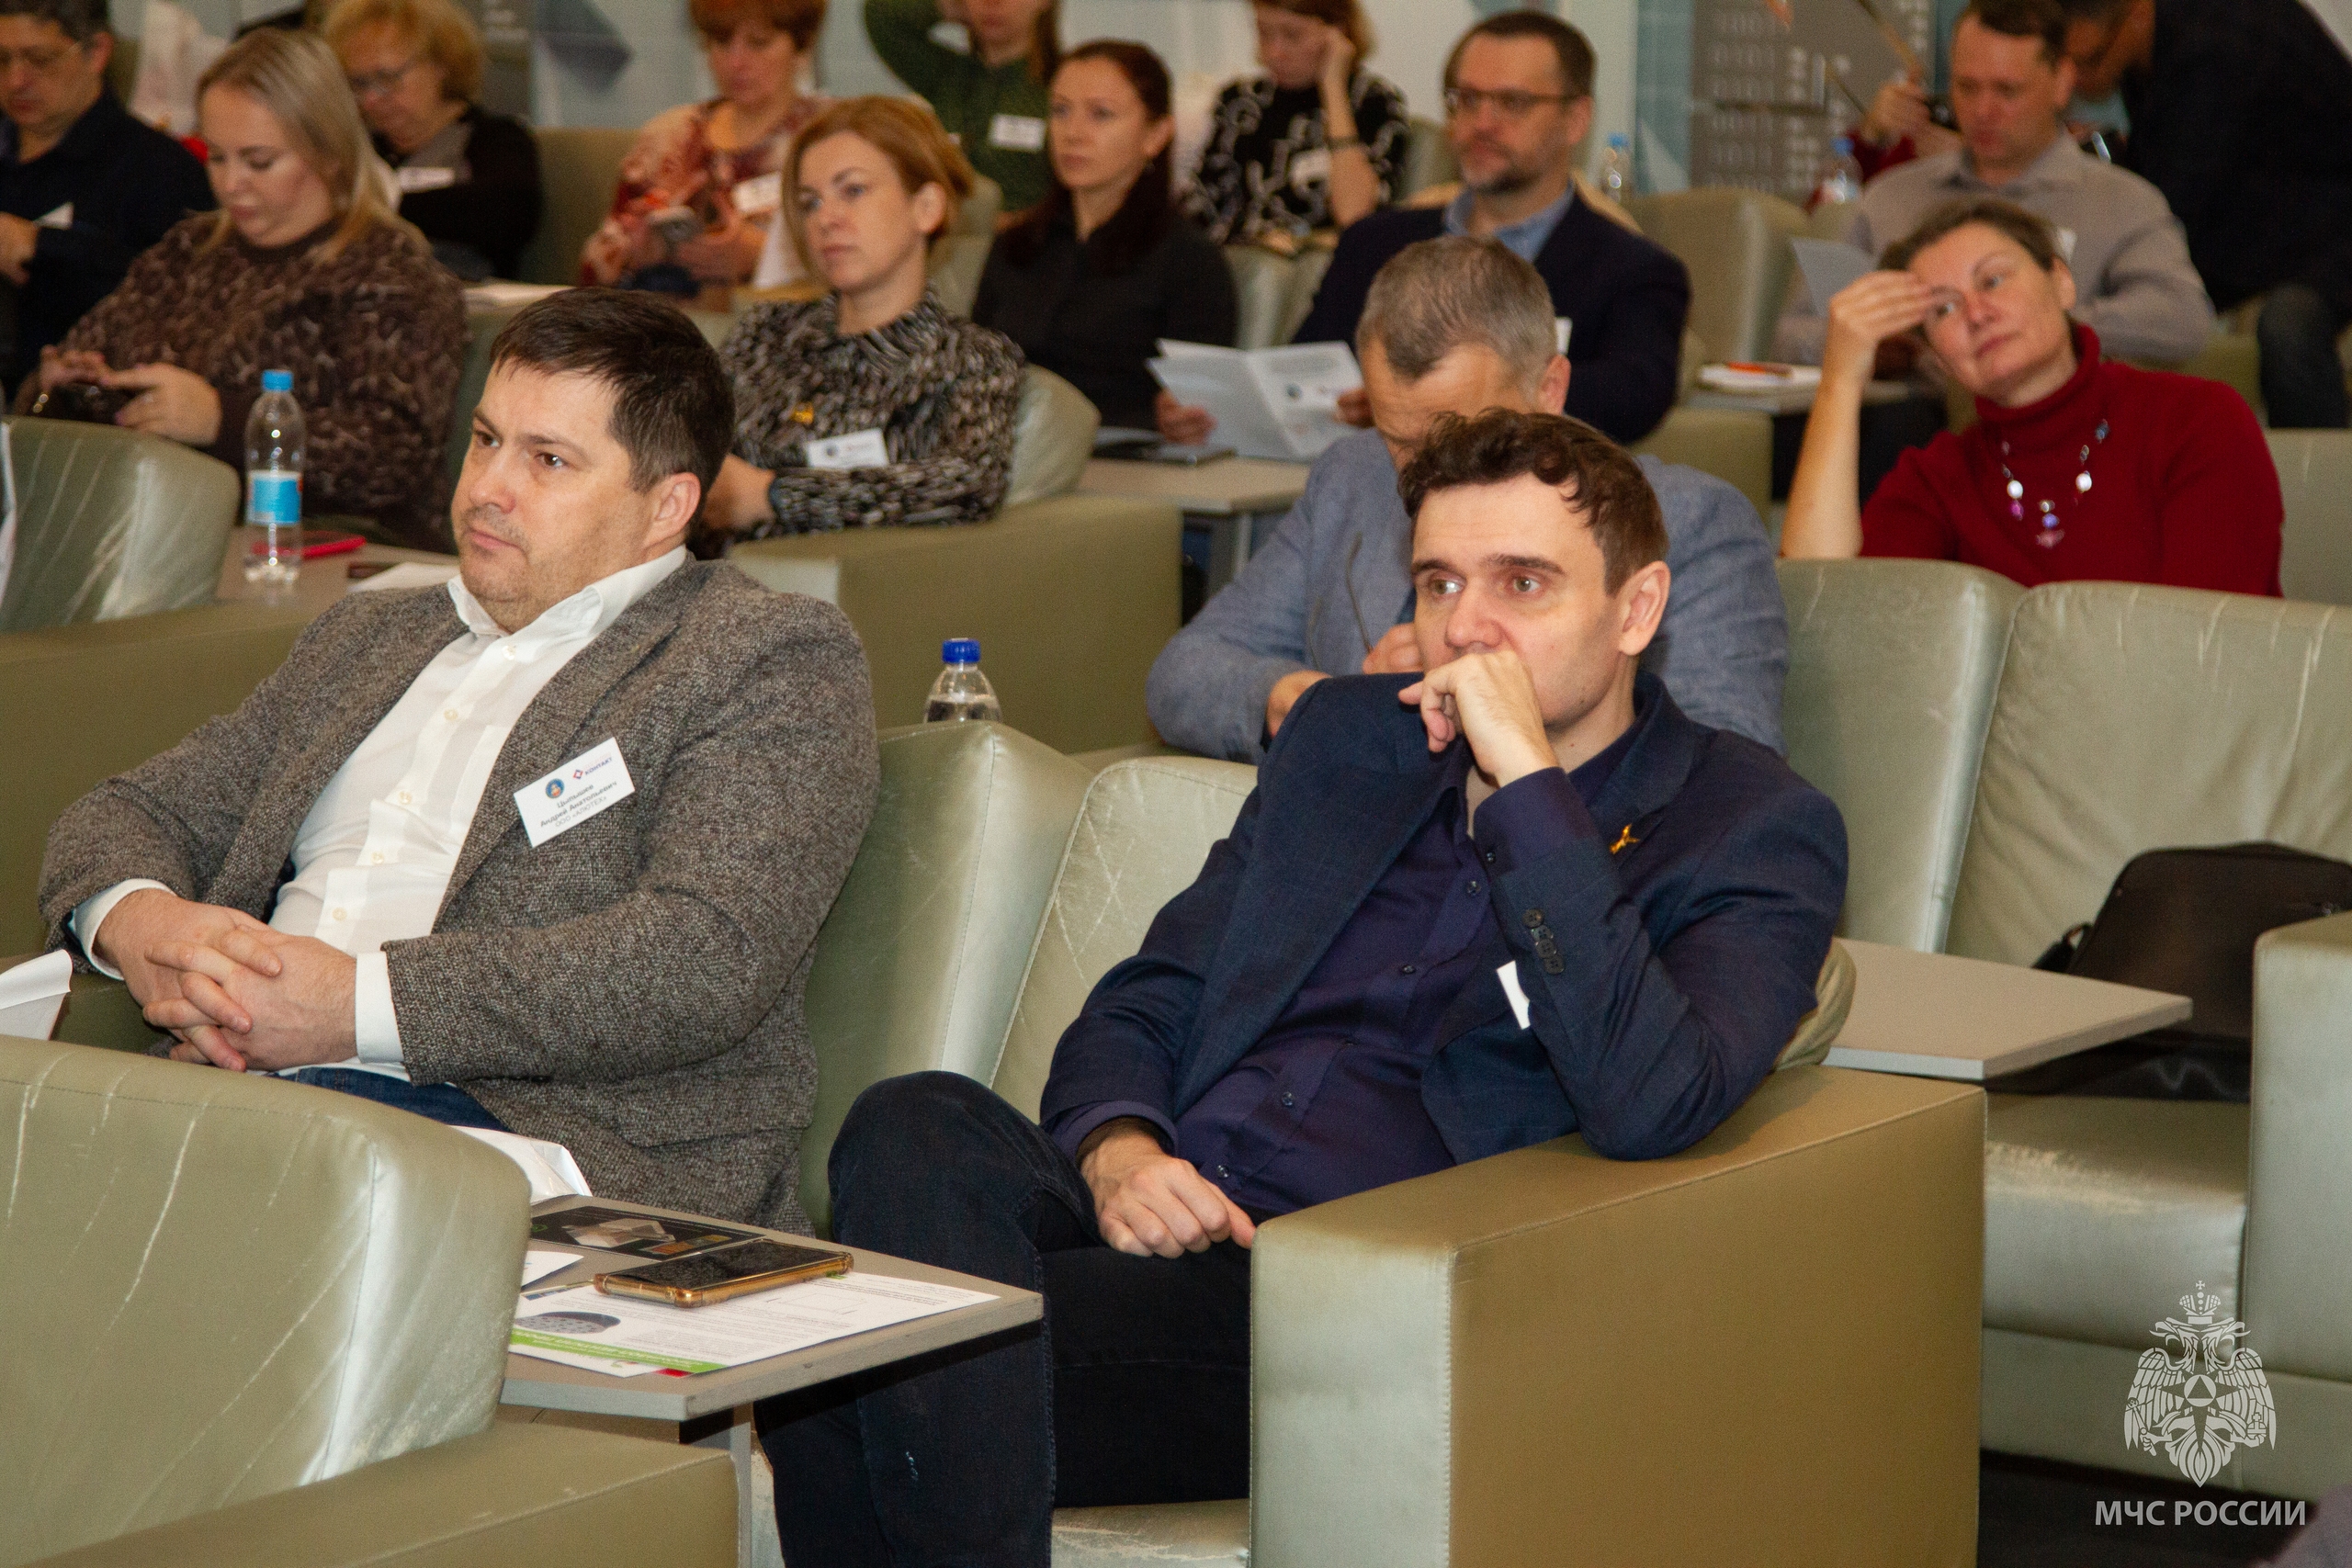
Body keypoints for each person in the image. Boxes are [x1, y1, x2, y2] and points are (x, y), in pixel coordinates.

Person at [758, 405, 1846, 1563]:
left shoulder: (1747, 825)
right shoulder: (1348, 738)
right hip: (1160, 1215)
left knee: (838, 1363)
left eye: (1522, 584)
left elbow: (1652, 1099)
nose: (1466, 627)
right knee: (911, 1122)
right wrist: (1120, 1150)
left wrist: (1529, 790)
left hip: (1338, 1292)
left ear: (1637, 609)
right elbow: (1153, 992)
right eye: (1437, 584)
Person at [37, 288, 879, 1233]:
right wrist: (147, 928)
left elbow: (701, 957)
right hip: (253, 1094)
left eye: (548, 460)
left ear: (667, 506)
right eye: (485, 440)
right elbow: (132, 810)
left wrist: (350, 1006)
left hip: (544, 1144)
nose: (488, 487)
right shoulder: (367, 638)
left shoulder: (758, 655)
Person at [1151, 235, 1787, 761]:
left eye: (1464, 431)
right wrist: (1310, 703)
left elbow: (1730, 770)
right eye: (1398, 438)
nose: (1426, 471)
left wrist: (1508, 709)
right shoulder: (1352, 477)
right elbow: (1184, 673)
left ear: (1550, 390)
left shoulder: (1690, 522)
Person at [15, 28, 465, 549]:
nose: (230, 184)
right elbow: (76, 363)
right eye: (216, 157)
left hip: (319, 544)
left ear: (329, 153)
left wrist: (222, 420)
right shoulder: (189, 249)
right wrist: (67, 385)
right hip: (152, 524)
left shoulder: (390, 274)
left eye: (259, 161)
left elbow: (395, 459)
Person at [1780, 197, 2281, 593]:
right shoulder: (1940, 479)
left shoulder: (2196, 419)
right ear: (1936, 355)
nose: (1977, 314)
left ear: (2062, 283)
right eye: (1944, 310)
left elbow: (2207, 642)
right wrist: (1841, 380)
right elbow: (1824, 601)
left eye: (1993, 280)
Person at [1290, 11, 1688, 446]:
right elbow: (1300, 369)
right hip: (1363, 472)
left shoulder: (1634, 270)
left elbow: (1633, 396)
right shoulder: (1373, 243)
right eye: (1467, 99)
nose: (1481, 123)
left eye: (1512, 102)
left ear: (1576, 119)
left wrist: (1454, 400)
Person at [1781, 0, 2210, 369]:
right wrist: (1867, 342)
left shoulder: (2121, 202)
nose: (1984, 110)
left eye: (2007, 91)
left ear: (2061, 83)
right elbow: (1791, 334)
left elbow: (2182, 320)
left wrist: (2033, 322)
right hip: (1903, 413)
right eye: (1967, 87)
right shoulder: (1892, 196)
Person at [698, 96, 1023, 546]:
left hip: (837, 581)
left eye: (852, 190)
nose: (826, 219)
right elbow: (680, 447)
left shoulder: (971, 358)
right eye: (810, 203)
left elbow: (967, 485)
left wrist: (773, 495)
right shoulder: (766, 330)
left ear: (926, 207)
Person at [2059, 0, 2352, 428]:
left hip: (2326, 233)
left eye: (2090, 61)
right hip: (2281, 227)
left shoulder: (2214, 47)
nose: (2075, 82)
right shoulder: (2161, 44)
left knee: (2288, 329)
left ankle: (2317, 468)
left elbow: (2172, 204)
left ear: (2137, 13)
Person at [972, 40, 1236, 434]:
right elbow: (975, 367)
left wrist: (1174, 416)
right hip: (1006, 445)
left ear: (1156, 134)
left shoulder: (1189, 260)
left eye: (1101, 114)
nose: (1073, 133)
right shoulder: (1017, 244)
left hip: (1124, 456)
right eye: (1060, 111)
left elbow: (1196, 403)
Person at [0, 0, 213, 391]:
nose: (16, 80)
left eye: (39, 60)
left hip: (83, 401)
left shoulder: (160, 169)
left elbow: (184, 298)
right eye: (1, 60)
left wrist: (39, 245)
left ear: (96, 52)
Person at [579, 0, 831, 295]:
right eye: (721, 42)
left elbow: (868, 256)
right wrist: (634, 252)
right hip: (660, 314)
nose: (735, 62)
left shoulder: (830, 138)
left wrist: (767, 257)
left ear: (801, 46)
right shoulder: (669, 137)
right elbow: (591, 272)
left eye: (758, 43)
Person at [322, 0, 542, 280]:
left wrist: (376, 209)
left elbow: (506, 216)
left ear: (442, 64)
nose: (371, 99)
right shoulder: (355, 149)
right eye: (359, 84)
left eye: (387, 78)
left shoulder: (495, 139)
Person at [1182, 0, 1408, 248]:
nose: (1274, 52)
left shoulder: (1373, 102)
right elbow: (1203, 211)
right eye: (1263, 33)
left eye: (1292, 35)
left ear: (1337, 32)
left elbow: (1355, 217)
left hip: (1324, 261)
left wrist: (1333, 86)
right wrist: (1256, 241)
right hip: (1246, 257)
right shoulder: (1241, 103)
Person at [865, 0, 1055, 214]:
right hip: (947, 228)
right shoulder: (947, 76)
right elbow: (881, 14)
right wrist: (955, 8)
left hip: (1029, 232)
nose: (992, 2)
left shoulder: (1060, 84)